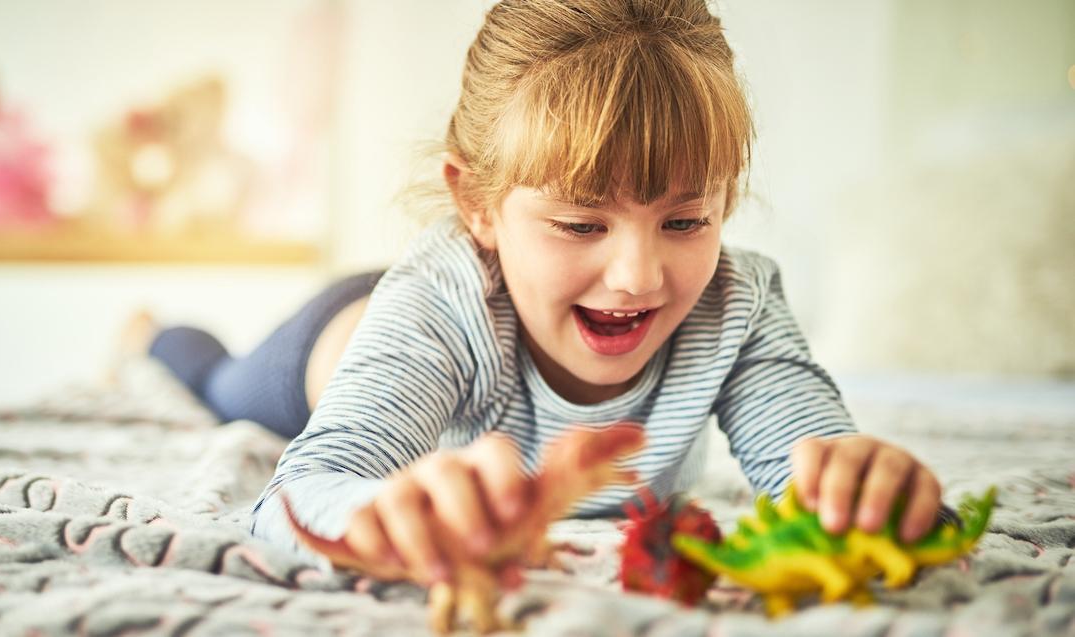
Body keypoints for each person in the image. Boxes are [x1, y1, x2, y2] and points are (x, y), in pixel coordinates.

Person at [146, 0, 950, 587]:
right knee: (220, 382)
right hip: (337, 340)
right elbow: (300, 492)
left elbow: (808, 464)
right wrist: (375, 513)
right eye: (579, 223)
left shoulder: (736, 304)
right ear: (479, 204)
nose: (639, 276)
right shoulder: (439, 302)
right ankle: (153, 331)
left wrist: (863, 485)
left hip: (480, 296)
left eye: (685, 220)